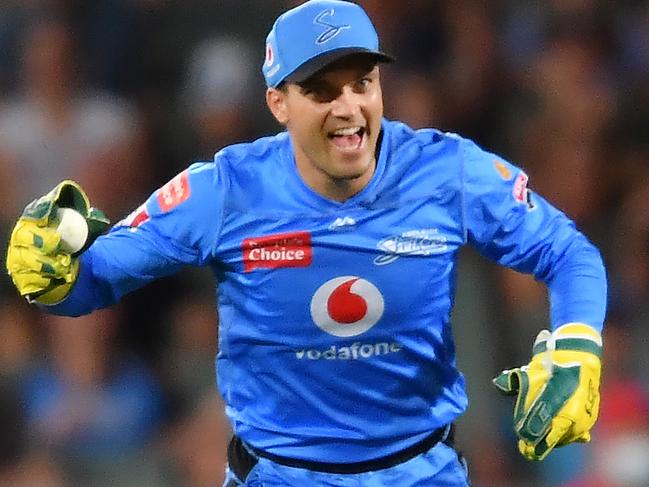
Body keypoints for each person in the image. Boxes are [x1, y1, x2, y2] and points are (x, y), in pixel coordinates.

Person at [5, 1, 607, 486]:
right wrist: (48, 272)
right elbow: (91, 281)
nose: (350, 107)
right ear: (278, 103)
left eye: (363, 82)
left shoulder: (447, 171)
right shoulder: (224, 191)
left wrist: (578, 346)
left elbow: (568, 253)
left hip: (422, 473)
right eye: (322, 90)